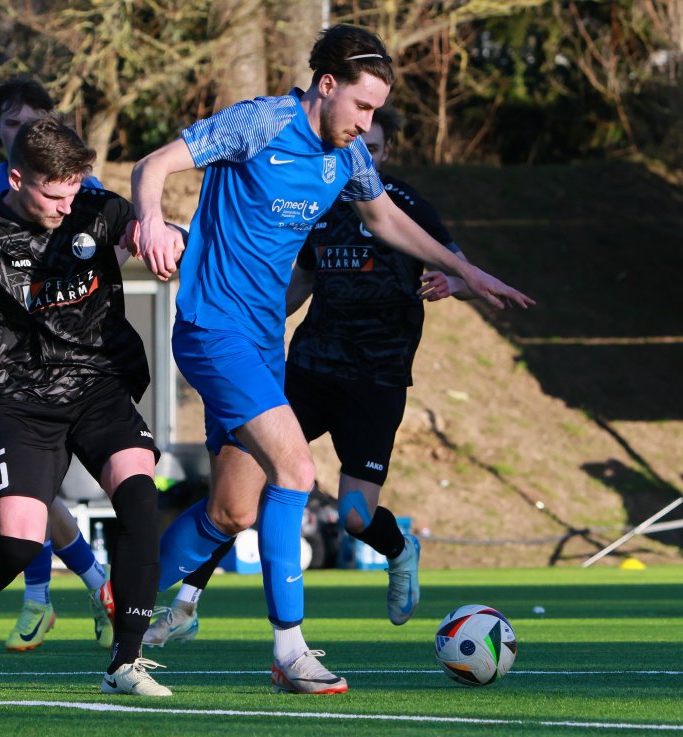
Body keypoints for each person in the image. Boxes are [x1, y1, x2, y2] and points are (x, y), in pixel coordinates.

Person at [129, 25, 533, 695]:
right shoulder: (260, 123)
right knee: (297, 467)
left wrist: (466, 270)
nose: (370, 123)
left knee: (232, 510)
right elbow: (155, 164)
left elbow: (387, 221)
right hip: (213, 327)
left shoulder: (346, 157)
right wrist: (148, 217)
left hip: (264, 342)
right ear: (327, 86)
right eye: (364, 107)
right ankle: (290, 650)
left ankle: (125, 601)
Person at [143, 106, 472, 648]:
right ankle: (187, 603)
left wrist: (455, 283)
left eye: (373, 142)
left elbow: (455, 264)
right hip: (311, 367)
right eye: (356, 133)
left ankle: (398, 550)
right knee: (254, 477)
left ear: (384, 153)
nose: (359, 145)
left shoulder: (404, 206)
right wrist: (250, 330)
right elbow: (297, 286)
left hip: (377, 376)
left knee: (354, 517)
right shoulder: (315, 199)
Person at [0, 115, 172, 697]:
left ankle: (124, 663)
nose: (65, 205)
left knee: (139, 499)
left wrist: (160, 235)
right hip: (23, 400)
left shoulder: (97, 210)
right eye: (53, 194)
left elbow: (145, 235)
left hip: (100, 385)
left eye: (74, 190)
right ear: (16, 177)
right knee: (20, 542)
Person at [0, 74, 114, 652]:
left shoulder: (81, 187)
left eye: (32, 124)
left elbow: (106, 250)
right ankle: (91, 589)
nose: (20, 133)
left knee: (36, 493)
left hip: (76, 364)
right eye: (11, 123)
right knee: (35, 493)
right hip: (15, 364)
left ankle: (50, 598)